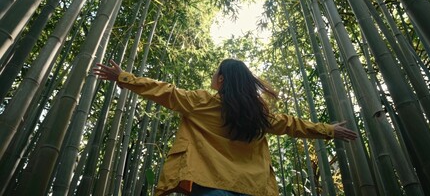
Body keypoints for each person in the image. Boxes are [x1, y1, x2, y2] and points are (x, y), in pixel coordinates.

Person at [93, 58, 357, 196]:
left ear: (220, 79)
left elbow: (166, 92)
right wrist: (328, 130)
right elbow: (291, 124)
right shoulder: (258, 115)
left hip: (210, 185)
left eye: (214, 72)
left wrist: (124, 78)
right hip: (253, 188)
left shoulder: (203, 102)